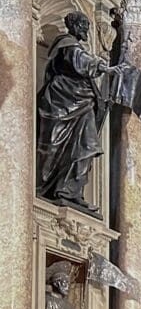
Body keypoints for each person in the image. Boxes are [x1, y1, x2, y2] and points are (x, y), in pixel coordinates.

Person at [37, 11, 123, 215]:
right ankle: (60, 189)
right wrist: (105, 68)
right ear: (73, 26)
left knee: (86, 147)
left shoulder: (74, 48)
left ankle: (72, 191)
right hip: (64, 105)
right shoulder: (67, 45)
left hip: (82, 107)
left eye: (87, 25)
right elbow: (81, 61)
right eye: (83, 25)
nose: (86, 30)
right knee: (61, 149)